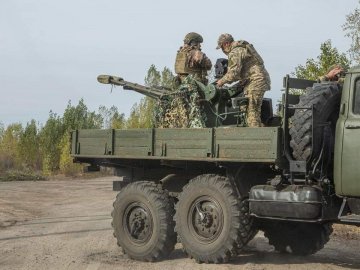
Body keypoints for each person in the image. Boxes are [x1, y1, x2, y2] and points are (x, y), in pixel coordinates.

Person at [216, 33, 271, 127]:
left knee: (251, 111)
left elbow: (233, 74)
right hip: (257, 79)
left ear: (226, 44)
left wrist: (221, 82)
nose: (223, 51)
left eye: (222, 47)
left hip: (255, 81)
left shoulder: (235, 52)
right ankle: (259, 131)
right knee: (248, 108)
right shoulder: (242, 48)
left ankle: (256, 136)